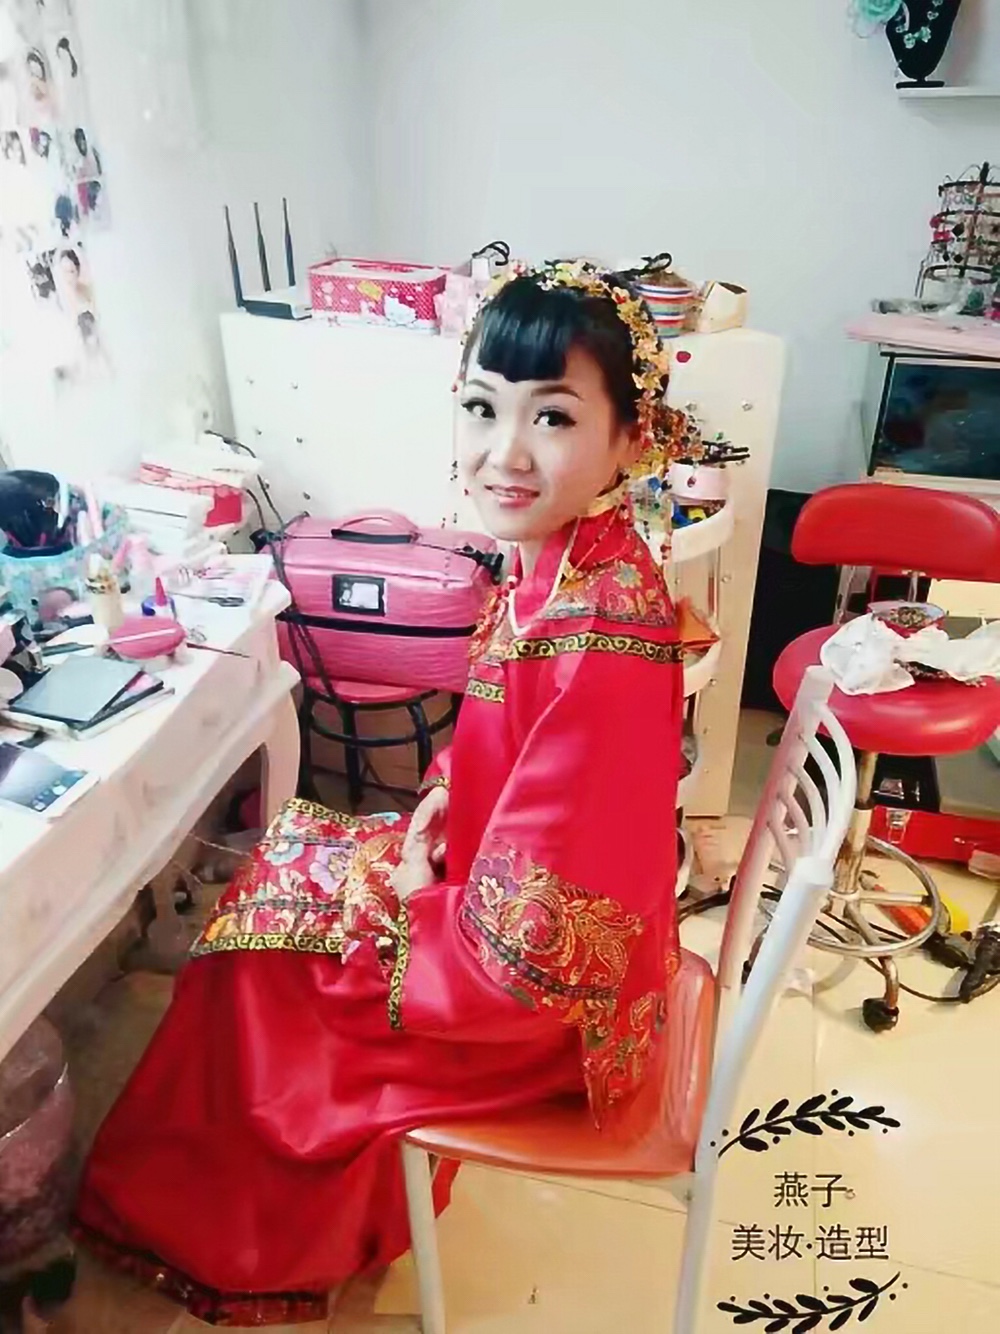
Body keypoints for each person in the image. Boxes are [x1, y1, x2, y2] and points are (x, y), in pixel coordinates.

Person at [74, 260, 685, 1326]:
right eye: (482, 407)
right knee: (276, 874)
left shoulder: (602, 631)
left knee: (251, 961)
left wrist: (413, 901)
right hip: (500, 911)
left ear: (633, 438)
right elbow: (502, 754)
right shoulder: (568, 559)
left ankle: (240, 1238)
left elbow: (545, 928)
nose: (504, 452)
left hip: (535, 1000)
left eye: (551, 416)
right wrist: (441, 805)